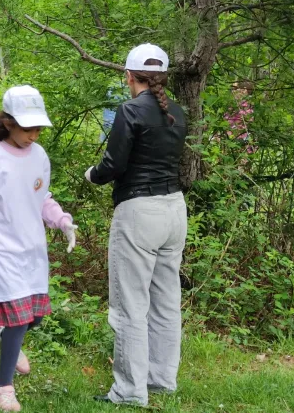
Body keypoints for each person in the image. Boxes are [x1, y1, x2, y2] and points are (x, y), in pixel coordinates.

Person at [0, 86, 77, 412]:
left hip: (31, 247)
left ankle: (5, 335)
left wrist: (62, 221)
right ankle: (2, 387)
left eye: (38, 128)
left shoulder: (39, 157)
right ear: (8, 123)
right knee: (21, 318)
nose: (34, 135)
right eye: (28, 128)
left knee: (33, 317)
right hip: (0, 249)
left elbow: (42, 199)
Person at [83, 44, 188, 408]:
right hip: (174, 209)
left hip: (139, 211)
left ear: (129, 76)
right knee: (165, 300)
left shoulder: (129, 110)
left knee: (130, 304)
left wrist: (91, 175)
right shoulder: (177, 112)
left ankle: (129, 391)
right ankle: (161, 378)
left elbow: (112, 165)